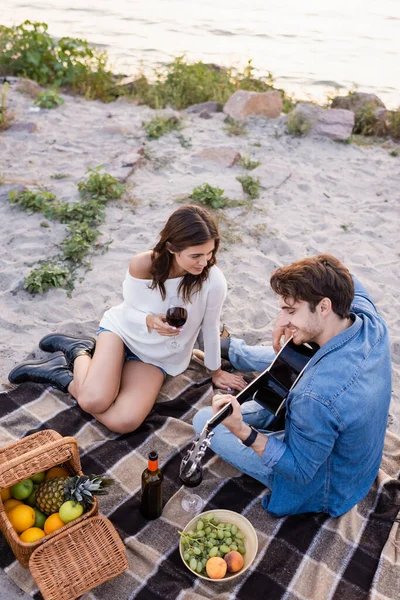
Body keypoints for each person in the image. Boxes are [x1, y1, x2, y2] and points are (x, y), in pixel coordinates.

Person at [9, 205, 246, 433]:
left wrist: (215, 372)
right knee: (93, 402)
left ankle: (61, 372)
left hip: (157, 357)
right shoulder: (143, 265)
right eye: (196, 255)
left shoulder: (213, 281)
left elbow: (210, 326)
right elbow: (129, 311)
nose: (204, 262)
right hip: (122, 334)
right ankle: (81, 352)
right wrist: (150, 321)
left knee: (124, 422)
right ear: (172, 247)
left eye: (210, 253)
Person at [193, 254, 392, 517]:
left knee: (205, 419)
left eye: (290, 310)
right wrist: (285, 318)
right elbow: (339, 271)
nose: (284, 318)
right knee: (296, 347)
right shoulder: (367, 318)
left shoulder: (314, 396)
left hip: (325, 486)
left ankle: (234, 356)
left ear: (323, 307)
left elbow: (299, 471)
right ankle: (234, 351)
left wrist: (243, 431)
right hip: (351, 454)